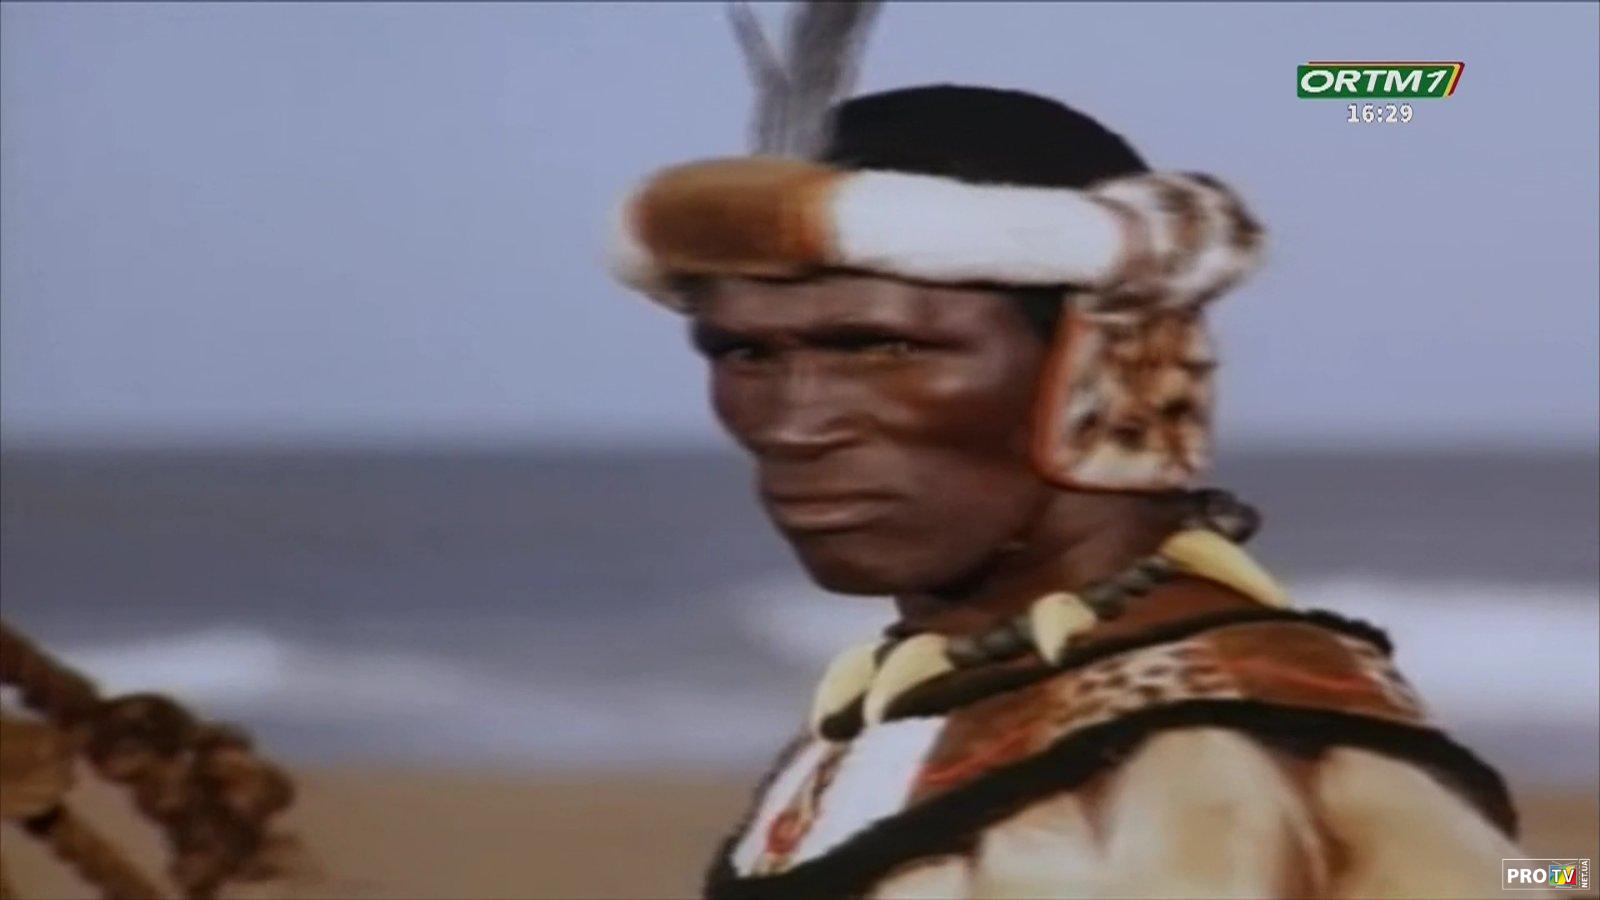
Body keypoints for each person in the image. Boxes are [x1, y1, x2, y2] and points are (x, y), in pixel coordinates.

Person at [606, 7, 1527, 897]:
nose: (792, 424)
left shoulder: (1240, 773)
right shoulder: (923, 698)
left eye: (882, 347)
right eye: (743, 354)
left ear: (1112, 372)